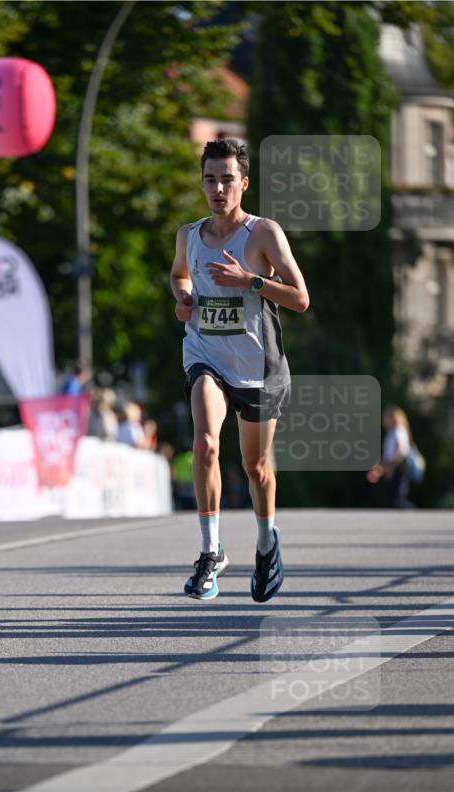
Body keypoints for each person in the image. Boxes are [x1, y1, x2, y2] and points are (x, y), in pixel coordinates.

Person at [171, 137, 309, 601]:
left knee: (256, 467)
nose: (218, 189)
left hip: (257, 366)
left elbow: (300, 298)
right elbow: (179, 274)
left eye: (227, 179)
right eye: (210, 180)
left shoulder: (263, 233)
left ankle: (266, 542)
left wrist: (250, 280)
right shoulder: (189, 236)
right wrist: (183, 298)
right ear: (202, 183)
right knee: (205, 443)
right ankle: (210, 552)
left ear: (244, 183)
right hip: (206, 355)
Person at [366, 405, 416, 508]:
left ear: (393, 418)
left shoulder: (398, 430)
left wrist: (391, 467)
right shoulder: (391, 432)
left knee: (398, 499)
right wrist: (380, 469)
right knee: (391, 498)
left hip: (399, 467)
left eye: (386, 417)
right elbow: (388, 454)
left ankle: (415, 514)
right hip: (393, 466)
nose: (383, 420)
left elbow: (400, 450)